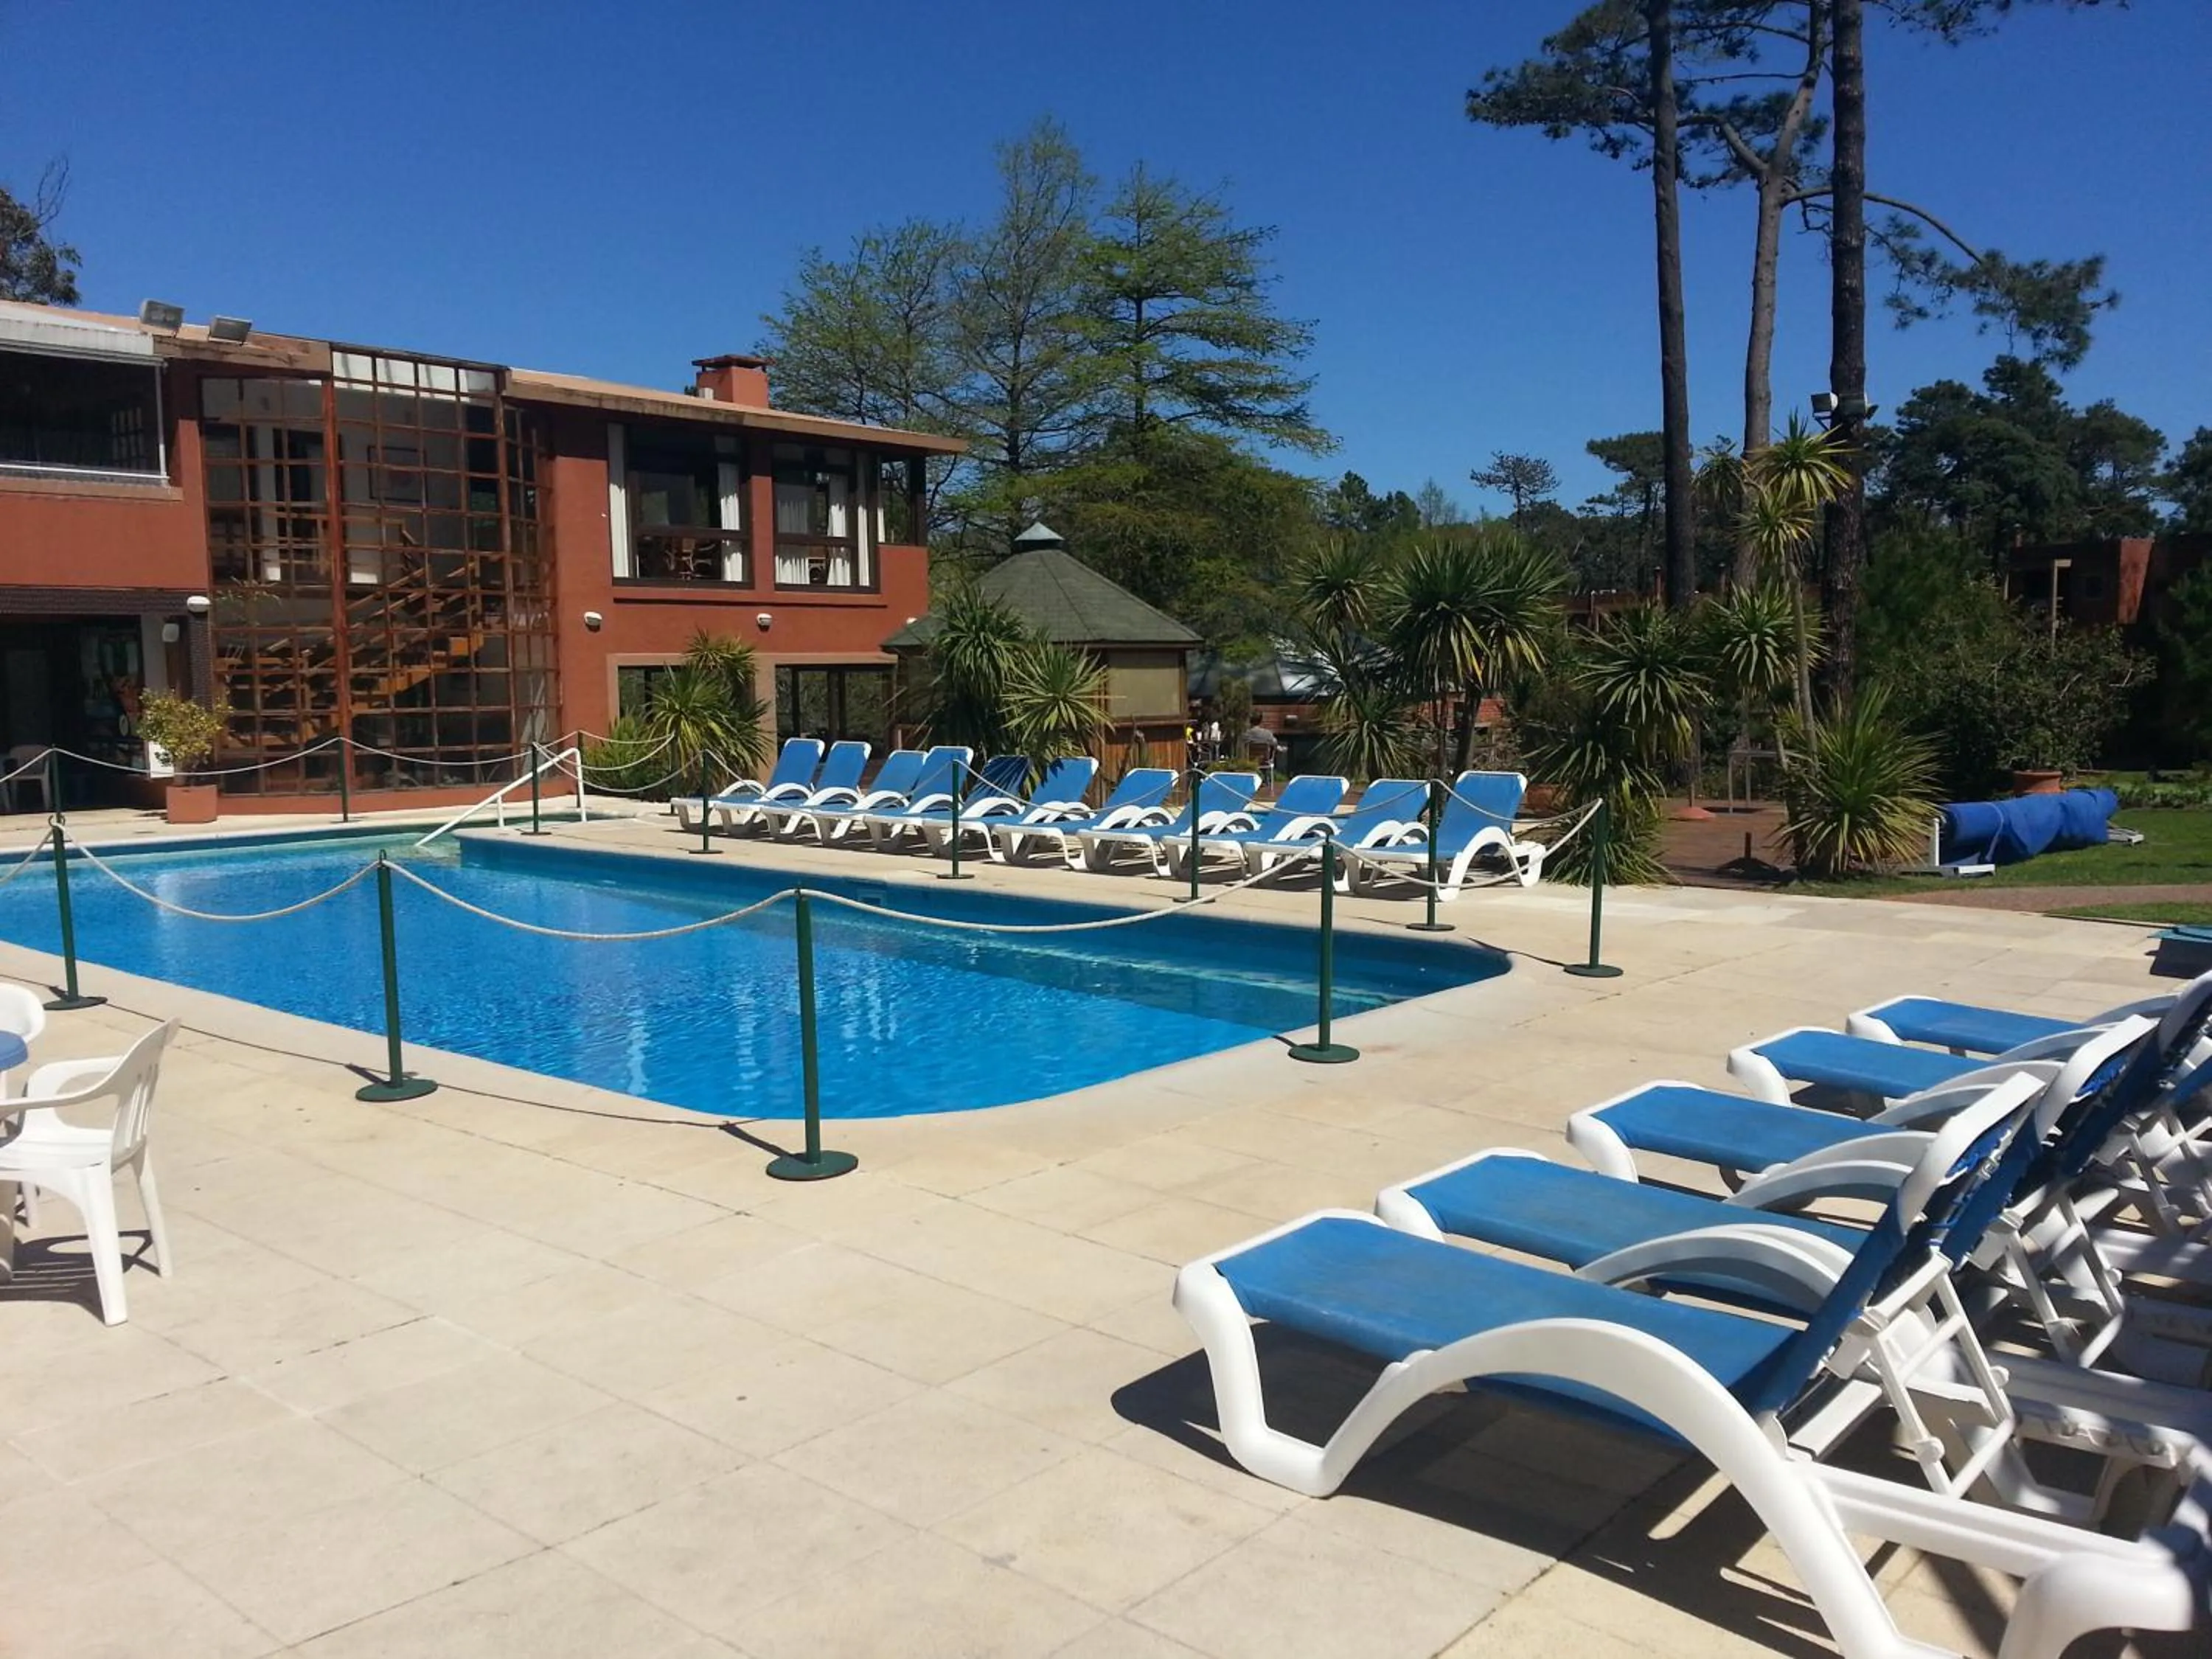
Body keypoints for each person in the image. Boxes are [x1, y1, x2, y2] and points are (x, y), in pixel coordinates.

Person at [1241, 719, 1279, 785]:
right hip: (1265, 759)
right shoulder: (1267, 733)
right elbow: (1275, 743)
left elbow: (1243, 744)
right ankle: (1266, 780)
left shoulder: (1247, 734)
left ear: (1250, 722)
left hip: (1251, 760)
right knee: (1266, 757)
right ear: (1261, 721)